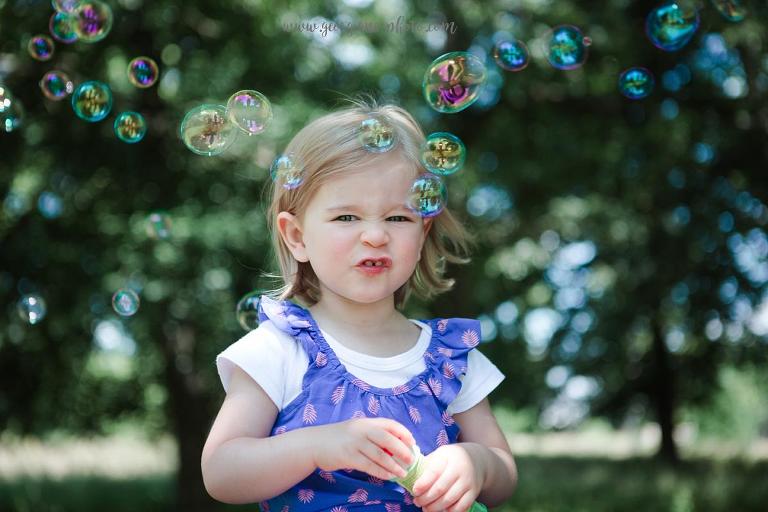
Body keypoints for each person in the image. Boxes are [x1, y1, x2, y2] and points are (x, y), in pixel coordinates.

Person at [201, 98, 518, 512]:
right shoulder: (279, 349)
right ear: (297, 237)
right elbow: (221, 472)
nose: (374, 236)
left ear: (422, 234)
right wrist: (317, 446)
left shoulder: (449, 360)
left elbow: (504, 475)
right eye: (346, 218)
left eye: (398, 218)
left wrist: (477, 463)